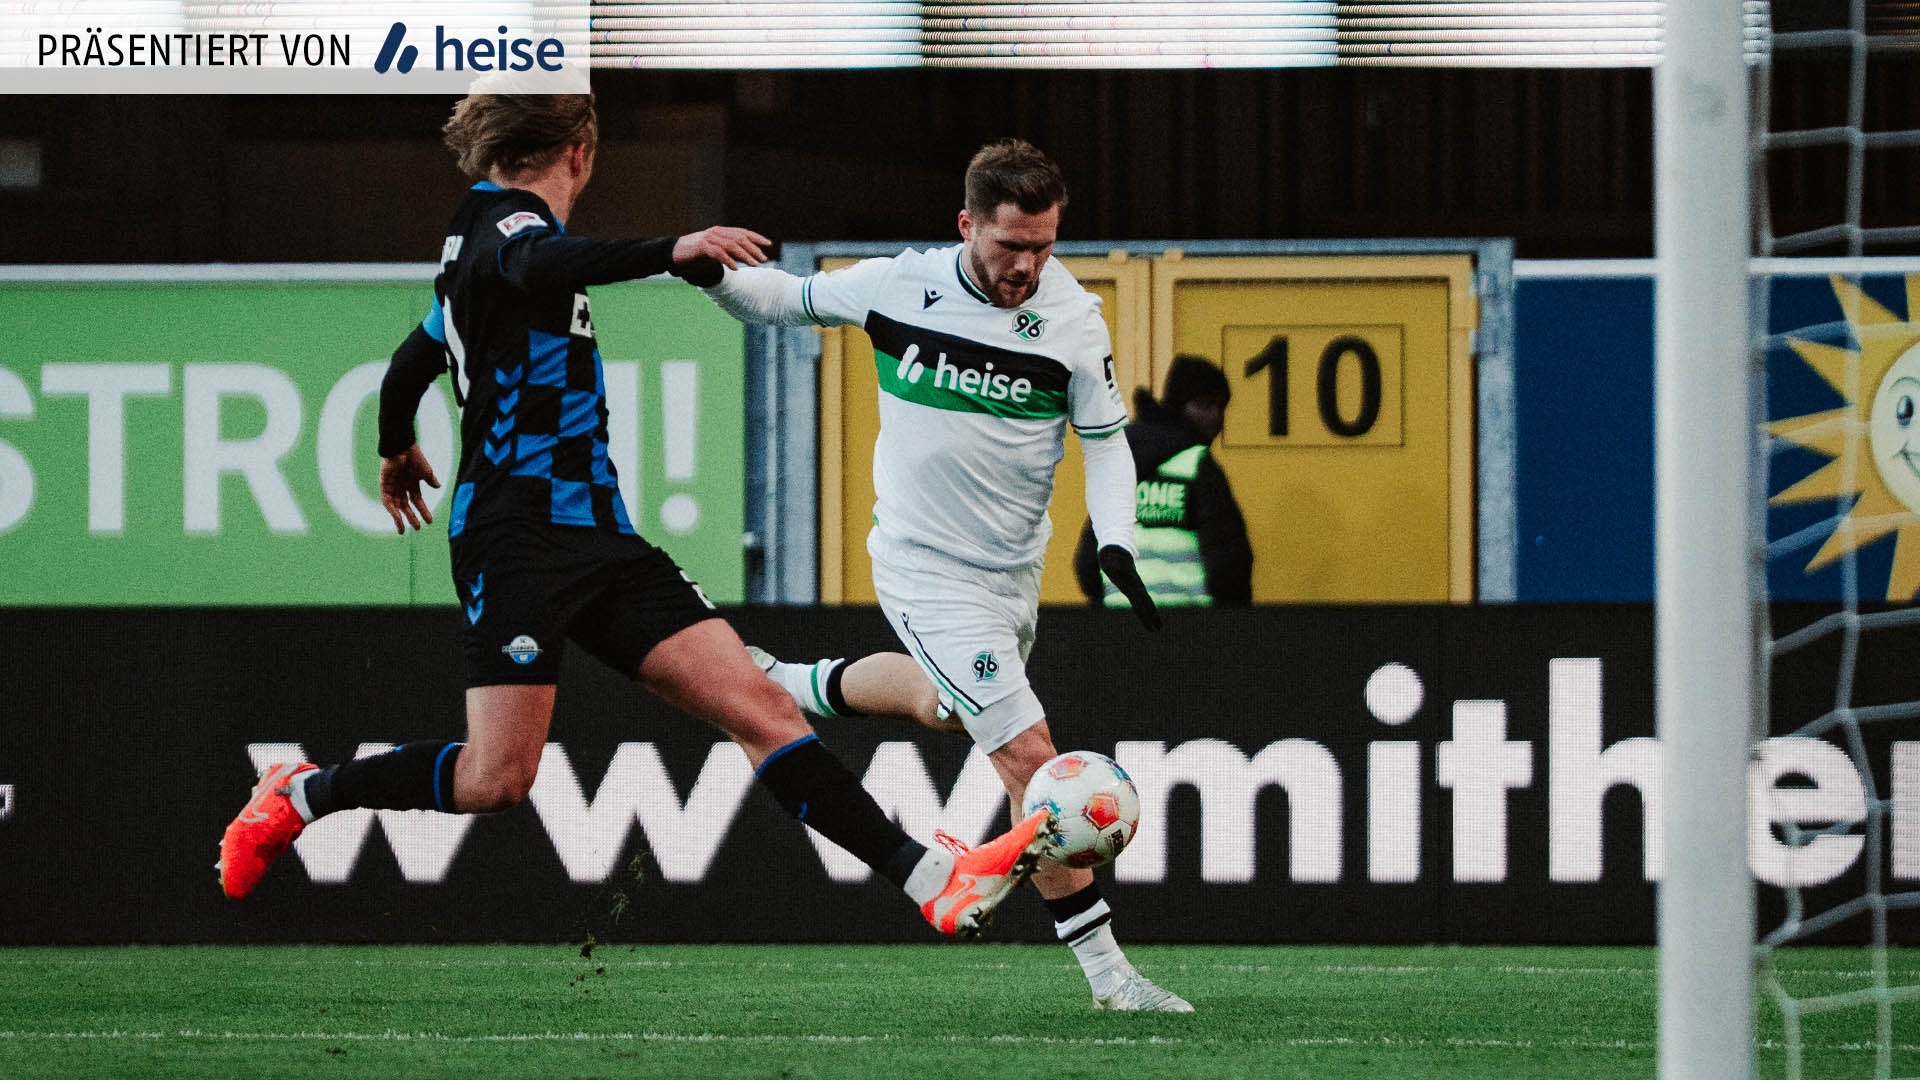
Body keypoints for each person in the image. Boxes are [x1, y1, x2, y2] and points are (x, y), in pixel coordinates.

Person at [217, 94, 1059, 941]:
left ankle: (932, 881)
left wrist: (395, 441)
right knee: (496, 778)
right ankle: (301, 793)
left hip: (600, 537)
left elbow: (415, 354)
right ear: (581, 153)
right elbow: (540, 266)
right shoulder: (503, 228)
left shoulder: (484, 247)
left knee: (762, 709)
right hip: (514, 539)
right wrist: (673, 249)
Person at [701, 138, 1193, 1012]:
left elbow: (1108, 441)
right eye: (1009, 244)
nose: (1027, 264)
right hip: (925, 566)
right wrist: (698, 270)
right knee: (1035, 766)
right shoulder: (900, 284)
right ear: (967, 224)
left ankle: (790, 679)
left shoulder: (1073, 317)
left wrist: (1114, 540)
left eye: (1043, 244)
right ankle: (1112, 981)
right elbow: (781, 300)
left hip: (1012, 575)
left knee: (939, 707)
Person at [1073, 354, 1253, 608]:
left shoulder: (1121, 463)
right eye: (1205, 405)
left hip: (1120, 629)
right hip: (1189, 633)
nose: (1216, 417)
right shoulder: (1196, 466)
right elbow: (1229, 566)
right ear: (1180, 406)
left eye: (1221, 407)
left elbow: (1088, 564)